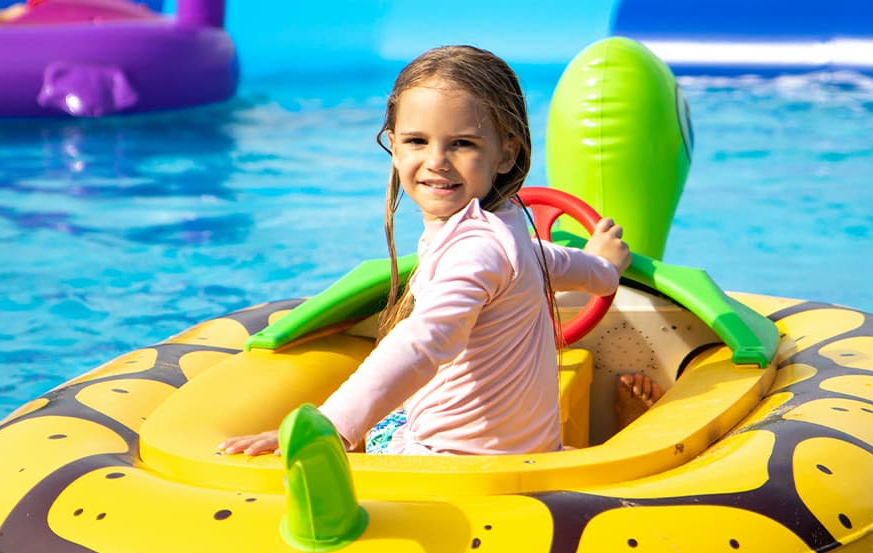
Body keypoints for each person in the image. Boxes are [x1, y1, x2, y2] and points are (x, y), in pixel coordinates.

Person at [220, 45, 632, 457]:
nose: (437, 161)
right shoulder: (507, 232)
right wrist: (602, 267)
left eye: (462, 144)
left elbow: (424, 341)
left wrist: (332, 424)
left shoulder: (475, 251)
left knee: (385, 420)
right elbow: (552, 261)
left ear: (506, 153)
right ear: (394, 146)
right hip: (533, 455)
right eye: (418, 141)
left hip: (444, 463)